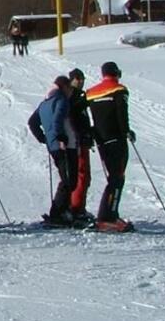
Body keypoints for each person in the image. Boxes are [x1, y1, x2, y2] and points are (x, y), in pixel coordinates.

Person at [85, 61, 135, 232]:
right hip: (116, 138)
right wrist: (126, 131)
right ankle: (108, 217)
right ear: (116, 73)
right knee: (117, 178)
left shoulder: (90, 93)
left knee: (113, 177)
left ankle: (108, 213)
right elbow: (122, 113)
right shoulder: (119, 90)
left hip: (101, 140)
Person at [28, 76, 80, 226]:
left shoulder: (45, 103)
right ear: (63, 87)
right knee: (70, 180)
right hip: (64, 145)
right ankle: (57, 213)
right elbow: (58, 119)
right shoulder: (61, 100)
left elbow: (32, 122)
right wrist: (60, 136)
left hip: (54, 146)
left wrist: (43, 138)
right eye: (69, 88)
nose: (71, 91)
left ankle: (62, 211)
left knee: (67, 179)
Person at [67, 68, 95, 222]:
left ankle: (78, 207)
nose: (80, 81)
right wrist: (80, 135)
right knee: (81, 175)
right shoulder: (71, 97)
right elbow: (72, 119)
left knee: (84, 176)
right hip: (77, 142)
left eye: (82, 78)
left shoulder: (80, 96)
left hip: (83, 139)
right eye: (77, 78)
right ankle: (76, 208)